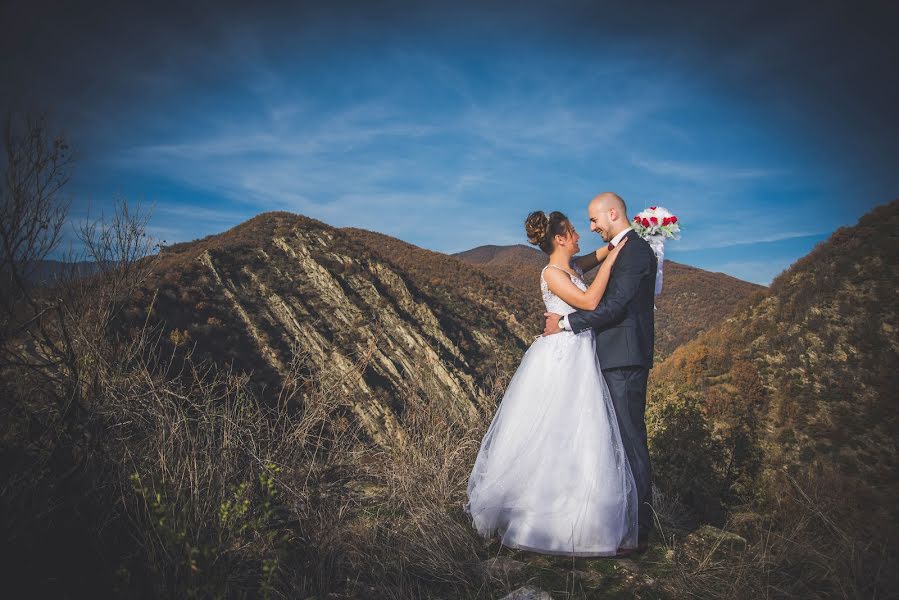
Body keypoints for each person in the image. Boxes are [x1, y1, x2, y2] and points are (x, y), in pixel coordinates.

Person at [464, 209, 638, 556]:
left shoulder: (573, 267)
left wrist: (627, 236)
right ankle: (541, 522)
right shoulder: (553, 273)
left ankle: (582, 518)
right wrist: (614, 258)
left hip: (579, 352)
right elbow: (588, 301)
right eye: (573, 231)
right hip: (562, 356)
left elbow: (601, 252)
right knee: (555, 429)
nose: (579, 235)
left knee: (580, 431)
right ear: (559, 239)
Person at [543, 192, 657, 554]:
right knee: (612, 443)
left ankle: (639, 532)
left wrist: (564, 322)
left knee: (631, 443)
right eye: (583, 225)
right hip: (604, 359)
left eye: (593, 221)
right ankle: (618, 521)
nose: (590, 228)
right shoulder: (617, 249)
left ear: (612, 214)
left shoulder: (635, 250)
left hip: (622, 359)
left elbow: (611, 307)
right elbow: (593, 264)